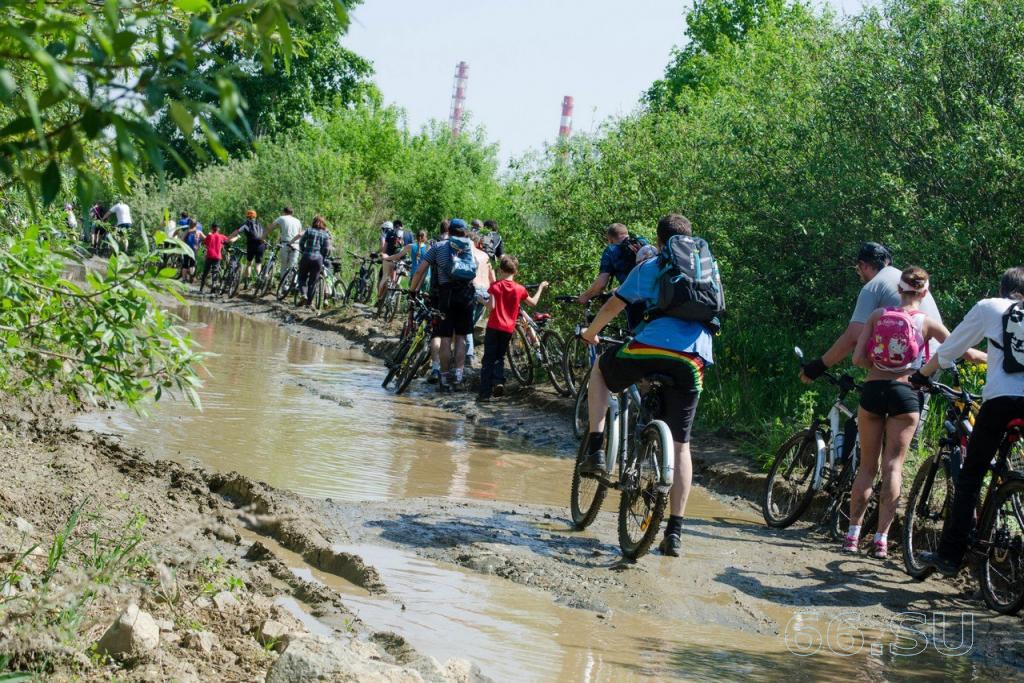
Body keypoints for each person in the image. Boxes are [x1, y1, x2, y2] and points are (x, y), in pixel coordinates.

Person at [579, 214, 716, 558]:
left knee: (600, 369)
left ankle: (596, 446)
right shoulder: (708, 269)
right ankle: (675, 531)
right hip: (694, 359)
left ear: (659, 240)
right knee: (682, 446)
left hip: (651, 346)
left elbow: (615, 302)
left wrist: (591, 333)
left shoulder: (655, 263)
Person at [912, 268, 1024, 576]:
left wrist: (922, 375)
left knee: (971, 476)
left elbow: (950, 349)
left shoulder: (990, 307)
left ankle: (949, 556)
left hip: (1001, 401)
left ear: (1004, 290)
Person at [845, 267, 956, 559]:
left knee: (867, 467)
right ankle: (881, 539)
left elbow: (857, 357)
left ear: (899, 288)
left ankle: (852, 535)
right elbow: (959, 350)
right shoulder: (927, 323)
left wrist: (877, 366)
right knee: (893, 466)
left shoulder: (877, 316)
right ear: (925, 292)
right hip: (907, 394)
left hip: (872, 389)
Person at [410, 218, 476, 391]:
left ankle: (445, 378)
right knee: (461, 337)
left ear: (449, 231)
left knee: (445, 338)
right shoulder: (470, 246)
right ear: (464, 231)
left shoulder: (438, 247)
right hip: (466, 294)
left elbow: (420, 270)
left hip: (445, 295)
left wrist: (412, 290)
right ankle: (459, 376)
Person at [478, 256, 547, 401]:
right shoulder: (520, 289)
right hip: (508, 329)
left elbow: (492, 307)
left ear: (501, 270)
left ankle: (484, 394)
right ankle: (498, 381)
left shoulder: (495, 286)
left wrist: (481, 300)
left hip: (493, 326)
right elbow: (533, 303)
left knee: (488, 359)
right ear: (515, 271)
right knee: (499, 356)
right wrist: (540, 287)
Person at [577, 223, 648, 331]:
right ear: (626, 234)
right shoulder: (642, 242)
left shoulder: (611, 250)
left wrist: (585, 296)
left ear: (610, 240)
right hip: (657, 296)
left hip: (635, 301)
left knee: (638, 340)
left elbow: (601, 284)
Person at [466, 231, 496, 366]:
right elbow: (493, 278)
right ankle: (468, 353)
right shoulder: (485, 256)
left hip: (474, 289)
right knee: (471, 324)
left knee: (466, 324)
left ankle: (469, 356)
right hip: (486, 291)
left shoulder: (468, 254)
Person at [290, 215, 333, 307]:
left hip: (306, 257)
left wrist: (304, 251)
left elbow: (301, 243)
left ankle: (303, 294)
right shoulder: (326, 234)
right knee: (313, 282)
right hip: (318, 259)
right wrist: (322, 257)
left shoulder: (309, 230)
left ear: (314, 222)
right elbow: (326, 249)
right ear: (323, 224)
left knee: (302, 277)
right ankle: (308, 304)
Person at [228, 210, 265, 288]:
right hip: (261, 245)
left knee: (249, 264)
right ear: (255, 216)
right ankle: (259, 281)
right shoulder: (260, 224)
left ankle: (247, 283)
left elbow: (236, 232)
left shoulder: (246, 224)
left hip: (251, 245)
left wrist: (228, 238)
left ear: (247, 216)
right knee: (258, 264)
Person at [270, 207, 302, 275]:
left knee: (284, 265)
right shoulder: (298, 221)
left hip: (285, 243)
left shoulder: (282, 218)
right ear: (292, 213)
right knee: (292, 266)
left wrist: (262, 236)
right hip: (296, 244)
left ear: (284, 212)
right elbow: (300, 233)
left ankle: (282, 284)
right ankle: (291, 283)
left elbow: (270, 227)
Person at [378, 220, 402, 301]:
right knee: (395, 280)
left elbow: (384, 249)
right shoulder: (406, 235)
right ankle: (395, 301)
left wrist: (382, 255)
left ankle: (379, 298)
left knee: (383, 278)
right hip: (401, 261)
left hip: (389, 259)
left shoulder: (388, 234)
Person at [200, 224, 229, 292]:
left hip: (209, 255)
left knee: (206, 271)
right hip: (217, 257)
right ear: (218, 229)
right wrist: (237, 237)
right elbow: (229, 240)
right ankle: (214, 286)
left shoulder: (209, 236)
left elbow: (205, 243)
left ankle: (201, 287)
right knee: (215, 272)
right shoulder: (222, 236)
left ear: (212, 228)